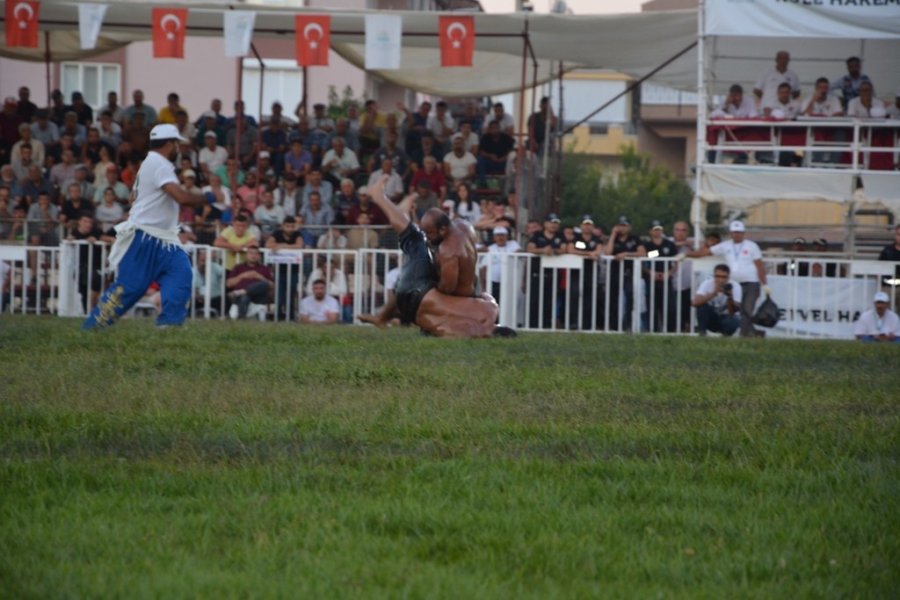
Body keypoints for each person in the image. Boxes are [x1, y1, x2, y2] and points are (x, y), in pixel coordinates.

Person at [82, 124, 211, 329]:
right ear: (170, 144)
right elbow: (181, 197)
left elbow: (134, 196)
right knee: (129, 288)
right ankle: (93, 326)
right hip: (145, 237)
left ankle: (169, 324)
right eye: (177, 144)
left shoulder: (149, 164)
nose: (178, 148)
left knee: (181, 274)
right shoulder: (160, 165)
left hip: (163, 237)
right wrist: (208, 197)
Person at [358, 175, 506, 338]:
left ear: (443, 230)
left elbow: (446, 289)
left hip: (416, 296)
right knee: (414, 250)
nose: (428, 238)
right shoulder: (464, 228)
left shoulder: (449, 250)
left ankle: (379, 196)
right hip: (419, 296)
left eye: (430, 233)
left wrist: (437, 266)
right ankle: (382, 317)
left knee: (414, 238)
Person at [685, 220, 768, 338]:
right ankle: (746, 333)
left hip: (751, 282)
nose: (736, 235)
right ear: (730, 233)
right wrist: (687, 254)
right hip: (734, 282)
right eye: (734, 232)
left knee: (747, 309)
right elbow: (706, 252)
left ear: (743, 233)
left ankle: (745, 334)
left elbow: (759, 265)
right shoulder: (726, 245)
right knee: (738, 309)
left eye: (739, 232)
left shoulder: (752, 246)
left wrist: (764, 283)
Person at [604, 216, 646, 331]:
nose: (622, 228)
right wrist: (613, 234)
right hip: (615, 272)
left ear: (629, 227)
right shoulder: (614, 239)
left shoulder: (635, 239)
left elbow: (642, 253)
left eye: (625, 225)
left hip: (629, 272)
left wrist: (626, 254)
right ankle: (613, 326)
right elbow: (607, 252)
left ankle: (627, 324)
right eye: (620, 225)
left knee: (629, 295)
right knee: (613, 299)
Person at [641, 221, 679, 332]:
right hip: (650, 280)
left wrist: (669, 273)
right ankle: (653, 330)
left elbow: (675, 262)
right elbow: (643, 260)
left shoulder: (669, 244)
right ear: (650, 231)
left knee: (669, 307)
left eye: (659, 229)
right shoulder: (646, 245)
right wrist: (650, 272)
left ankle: (670, 331)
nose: (657, 231)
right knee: (652, 306)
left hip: (666, 279)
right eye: (654, 229)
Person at [692, 264, 742, 337]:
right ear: (714, 276)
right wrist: (714, 293)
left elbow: (734, 312)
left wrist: (730, 297)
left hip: (727, 317)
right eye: (717, 276)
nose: (720, 280)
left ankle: (725, 336)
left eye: (723, 277)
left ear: (728, 277)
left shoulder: (735, 286)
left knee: (734, 321)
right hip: (712, 317)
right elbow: (695, 302)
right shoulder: (707, 283)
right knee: (702, 307)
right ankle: (702, 333)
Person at [225, 246, 273, 320]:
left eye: (256, 254)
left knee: (264, 283)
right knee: (245, 297)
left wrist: (259, 276)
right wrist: (242, 276)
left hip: (258, 298)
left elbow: (272, 286)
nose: (253, 256)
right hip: (240, 298)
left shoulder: (264, 269)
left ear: (259, 256)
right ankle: (241, 319)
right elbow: (228, 284)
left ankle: (242, 292)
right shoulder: (238, 267)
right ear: (246, 255)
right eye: (250, 253)